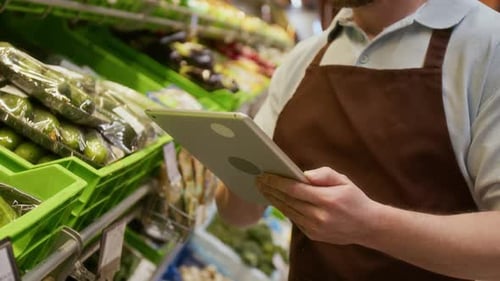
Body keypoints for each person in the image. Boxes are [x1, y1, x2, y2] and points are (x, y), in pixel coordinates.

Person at [215, 0, 500, 280]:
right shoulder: (303, 57)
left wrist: (369, 226)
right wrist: (228, 162)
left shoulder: (488, 45)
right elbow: (239, 215)